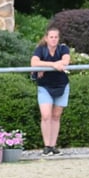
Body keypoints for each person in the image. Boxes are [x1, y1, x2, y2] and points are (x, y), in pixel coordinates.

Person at [30, 25, 71, 156]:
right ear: (46, 38)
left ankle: (53, 146)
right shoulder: (40, 49)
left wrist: (52, 64)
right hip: (45, 86)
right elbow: (34, 62)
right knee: (46, 115)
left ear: (58, 39)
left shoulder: (63, 48)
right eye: (51, 37)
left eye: (56, 37)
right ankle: (46, 146)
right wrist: (52, 65)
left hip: (61, 85)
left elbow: (66, 61)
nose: (53, 39)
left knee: (56, 115)